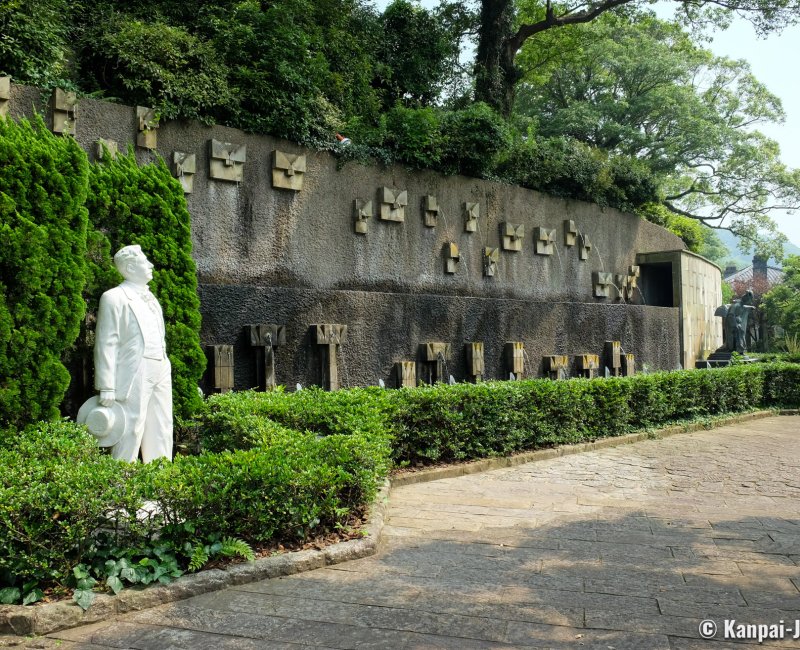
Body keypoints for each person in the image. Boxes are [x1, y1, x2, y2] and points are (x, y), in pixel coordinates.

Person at [91, 244, 173, 462]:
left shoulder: (151, 298)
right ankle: (122, 487)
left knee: (162, 427)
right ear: (129, 267)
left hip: (160, 366)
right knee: (131, 428)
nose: (150, 265)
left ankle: (162, 485)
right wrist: (106, 385)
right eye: (144, 261)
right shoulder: (114, 297)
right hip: (135, 370)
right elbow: (106, 343)